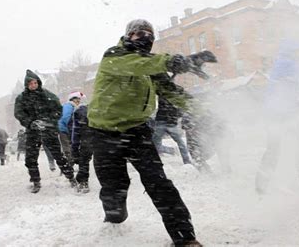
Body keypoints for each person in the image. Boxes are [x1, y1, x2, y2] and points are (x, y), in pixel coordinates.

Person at [87, 19, 212, 246]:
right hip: (104, 133)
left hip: (137, 131)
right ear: (128, 36)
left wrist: (206, 113)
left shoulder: (151, 66)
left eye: (148, 34)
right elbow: (137, 64)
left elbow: (173, 91)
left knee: (158, 182)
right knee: (114, 187)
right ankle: (115, 218)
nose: (144, 37)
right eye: (138, 33)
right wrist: (174, 62)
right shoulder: (114, 56)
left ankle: (185, 238)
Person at [255, 39, 299, 195]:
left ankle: (262, 185)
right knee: (277, 150)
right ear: (292, 51)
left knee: (281, 149)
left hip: (282, 113)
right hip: (278, 115)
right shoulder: (286, 63)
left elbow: (291, 85)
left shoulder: (284, 64)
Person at [14, 69, 76, 193]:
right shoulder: (22, 98)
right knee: (31, 158)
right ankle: (36, 181)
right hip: (33, 132)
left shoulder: (47, 95)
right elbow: (19, 114)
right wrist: (31, 123)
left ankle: (71, 177)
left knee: (58, 155)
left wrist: (48, 122)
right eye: (31, 83)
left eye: (35, 83)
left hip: (49, 131)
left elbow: (58, 110)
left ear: (39, 83)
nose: (33, 85)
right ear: (27, 85)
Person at [153, 96, 191, 164]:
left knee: (180, 143)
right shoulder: (165, 93)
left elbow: (181, 109)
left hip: (169, 123)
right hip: (163, 122)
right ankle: (171, 151)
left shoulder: (170, 94)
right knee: (155, 144)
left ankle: (186, 160)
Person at [58, 91, 83, 166]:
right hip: (64, 129)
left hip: (67, 128)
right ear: (72, 99)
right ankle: (70, 163)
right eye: (76, 99)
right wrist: (71, 127)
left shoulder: (73, 106)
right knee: (67, 147)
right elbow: (66, 117)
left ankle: (70, 162)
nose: (78, 100)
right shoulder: (69, 106)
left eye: (79, 99)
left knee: (69, 146)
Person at [71, 101, 91, 193]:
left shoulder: (78, 113)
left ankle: (83, 182)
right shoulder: (98, 108)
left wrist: (74, 148)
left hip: (86, 137)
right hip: (102, 135)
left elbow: (75, 132)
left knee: (84, 159)